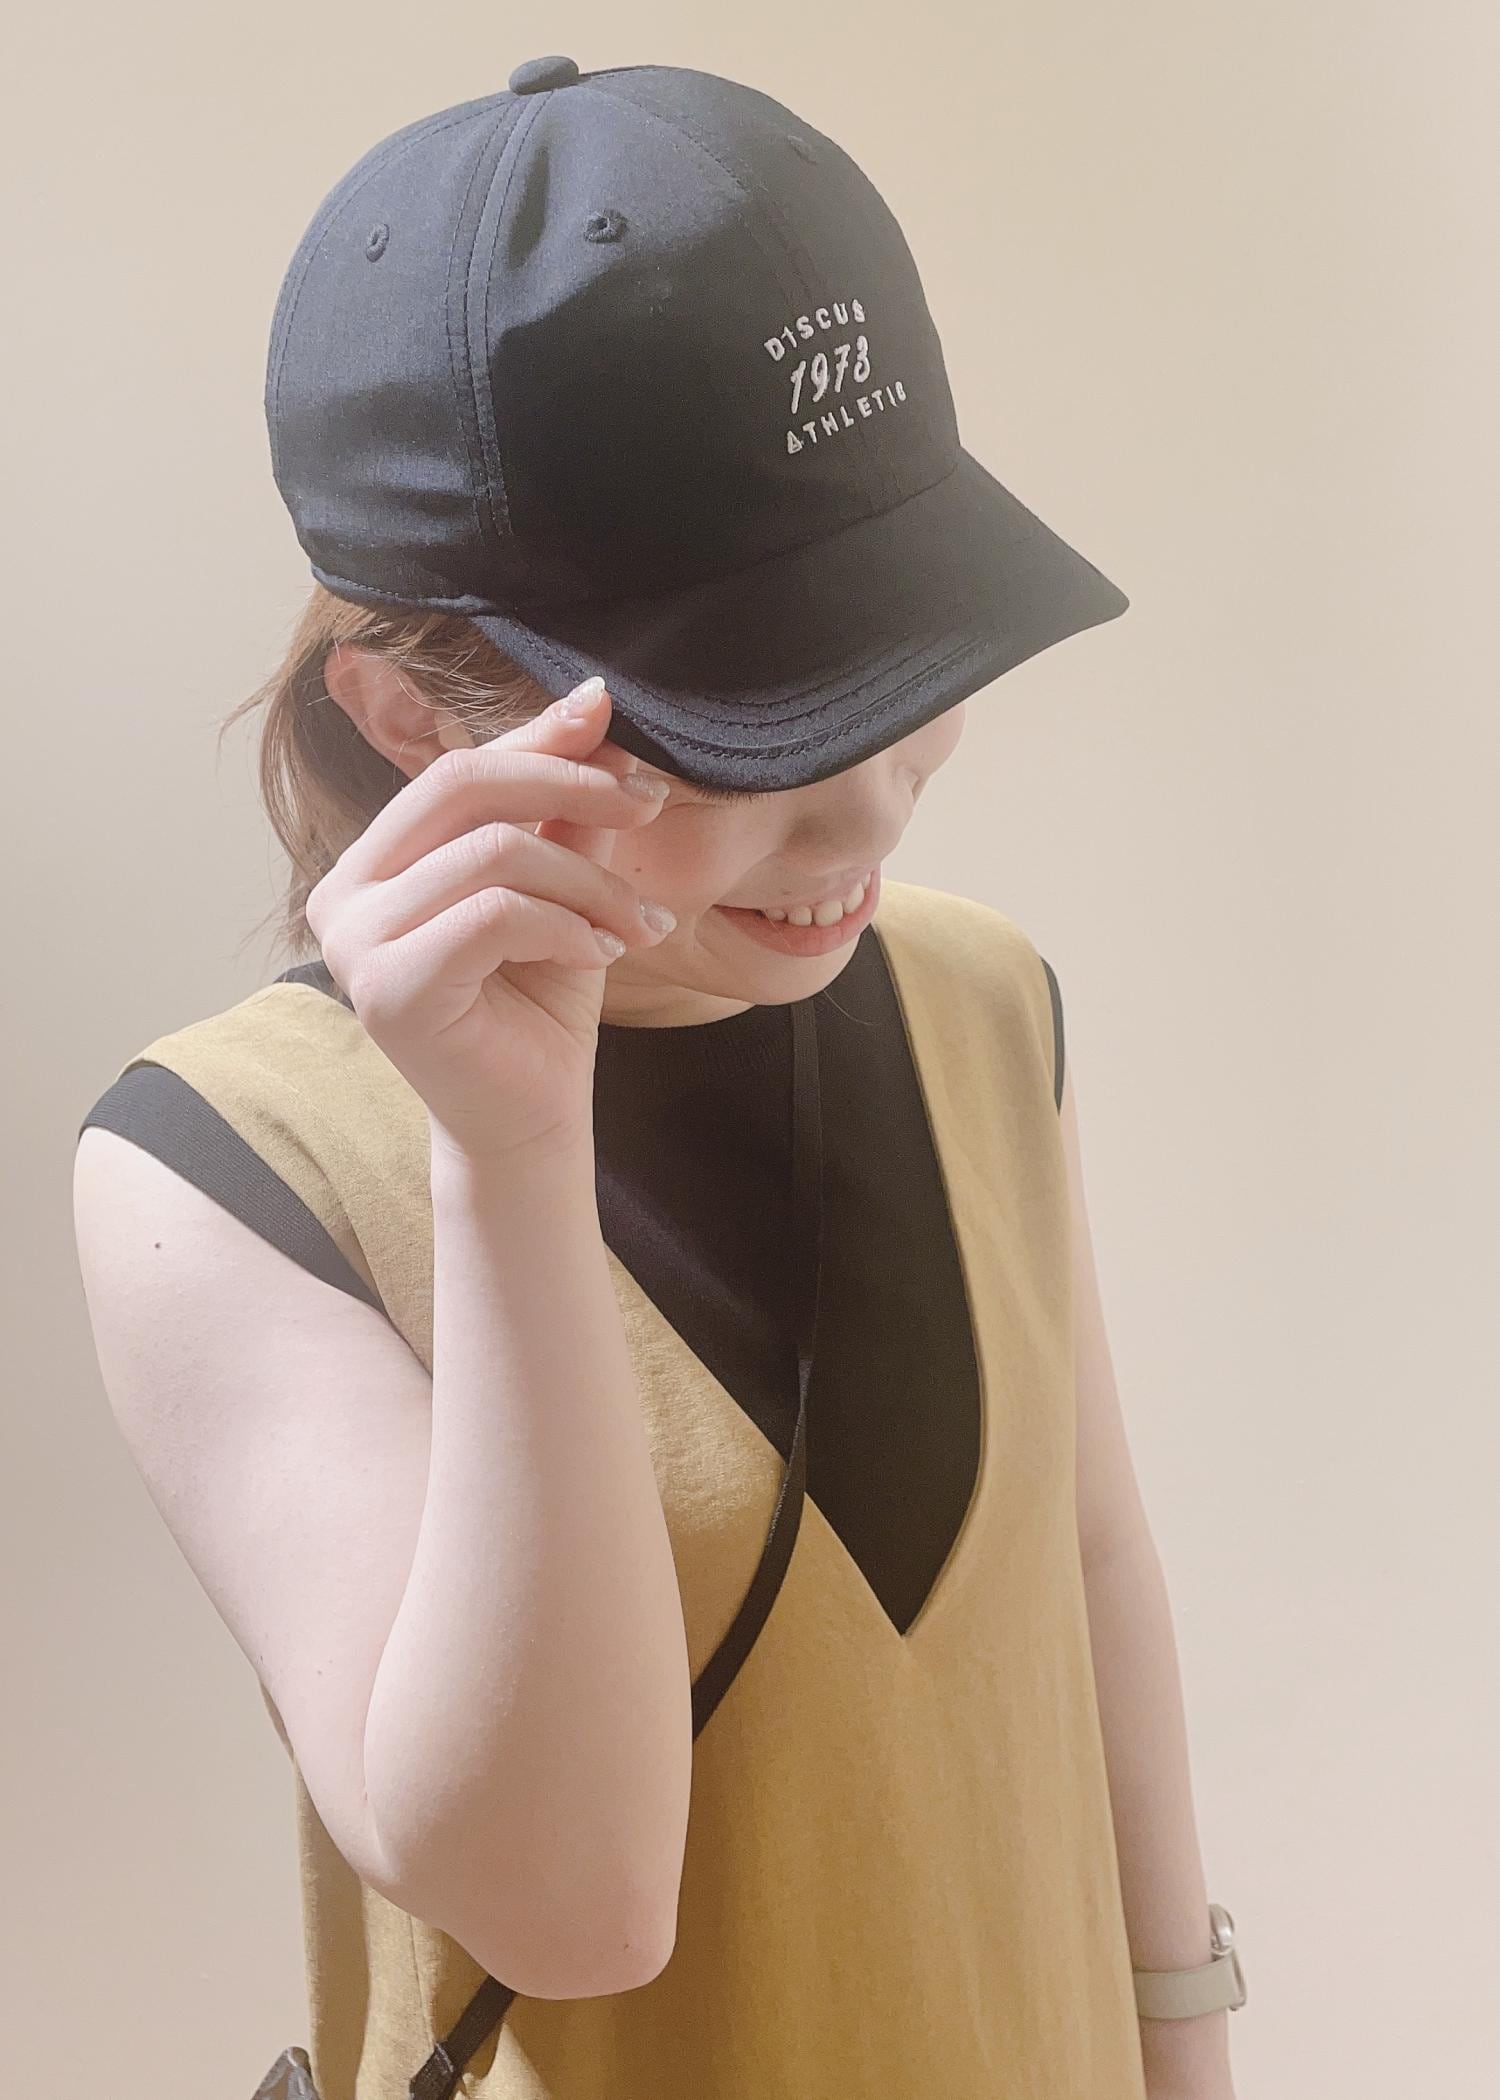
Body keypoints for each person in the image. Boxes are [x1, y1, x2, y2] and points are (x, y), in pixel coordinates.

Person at [71, 56, 1244, 2100]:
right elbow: (574, 1910)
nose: (866, 815)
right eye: (750, 731)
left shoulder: (981, 1003)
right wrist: (510, 1157)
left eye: (906, 669)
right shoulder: (227, 1170)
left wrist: (1187, 2055)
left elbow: (1086, 1574)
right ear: (411, 717)